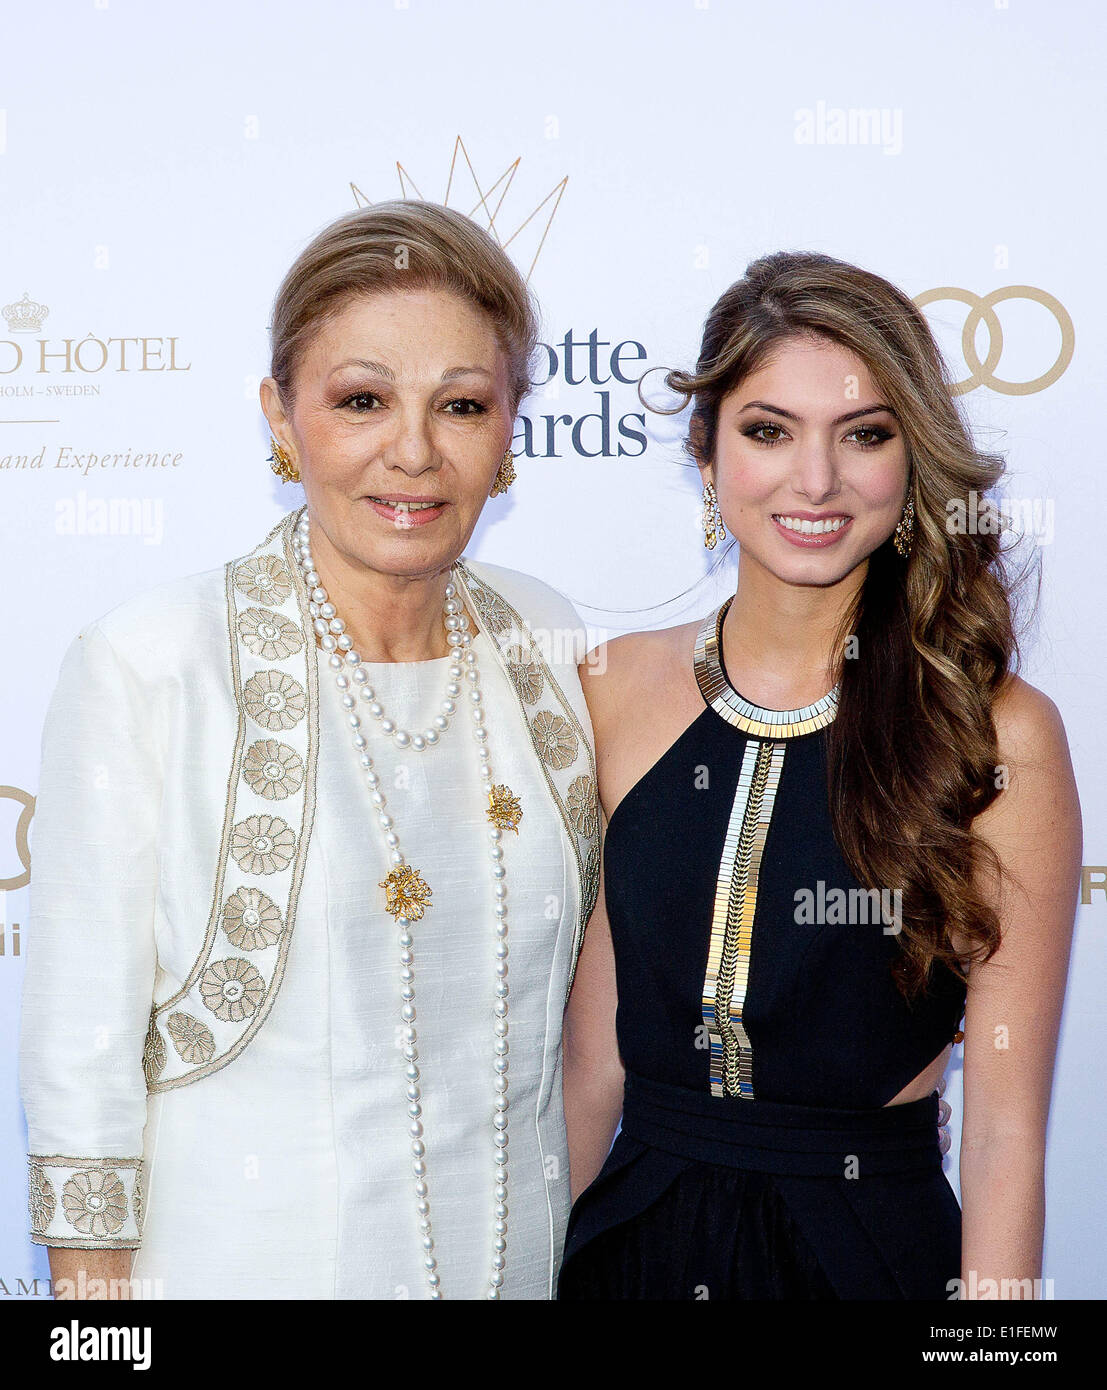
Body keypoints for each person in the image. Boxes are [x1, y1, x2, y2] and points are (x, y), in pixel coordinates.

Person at [20, 200, 601, 1300]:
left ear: (511, 428)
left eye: (463, 404)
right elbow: (79, 1053)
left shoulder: (547, 641)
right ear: (280, 418)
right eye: (362, 400)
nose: (415, 450)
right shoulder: (153, 660)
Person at [558, 251, 1080, 1300]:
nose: (815, 480)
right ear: (706, 454)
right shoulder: (610, 688)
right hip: (630, 1250)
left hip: (867, 1256)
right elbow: (590, 1073)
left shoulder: (995, 732)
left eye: (865, 435)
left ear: (911, 458)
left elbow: (1007, 1134)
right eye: (768, 430)